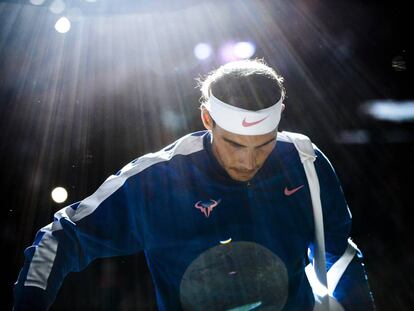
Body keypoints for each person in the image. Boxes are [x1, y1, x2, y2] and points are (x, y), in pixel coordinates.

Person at [14, 59, 375, 310]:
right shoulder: (159, 179)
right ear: (207, 119)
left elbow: (337, 252)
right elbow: (61, 237)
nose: (249, 161)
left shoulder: (304, 161)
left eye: (263, 145)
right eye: (235, 144)